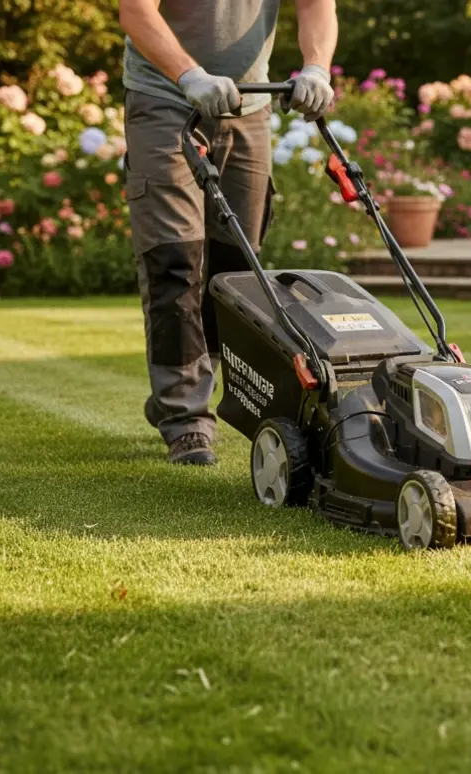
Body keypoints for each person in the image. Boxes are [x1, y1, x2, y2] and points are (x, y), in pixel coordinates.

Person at [118, 0, 337, 465]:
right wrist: (189, 75)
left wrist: (317, 67)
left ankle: (183, 389)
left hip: (248, 105)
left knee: (236, 267)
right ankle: (186, 416)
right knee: (173, 257)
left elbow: (317, 6)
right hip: (164, 98)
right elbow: (136, 11)